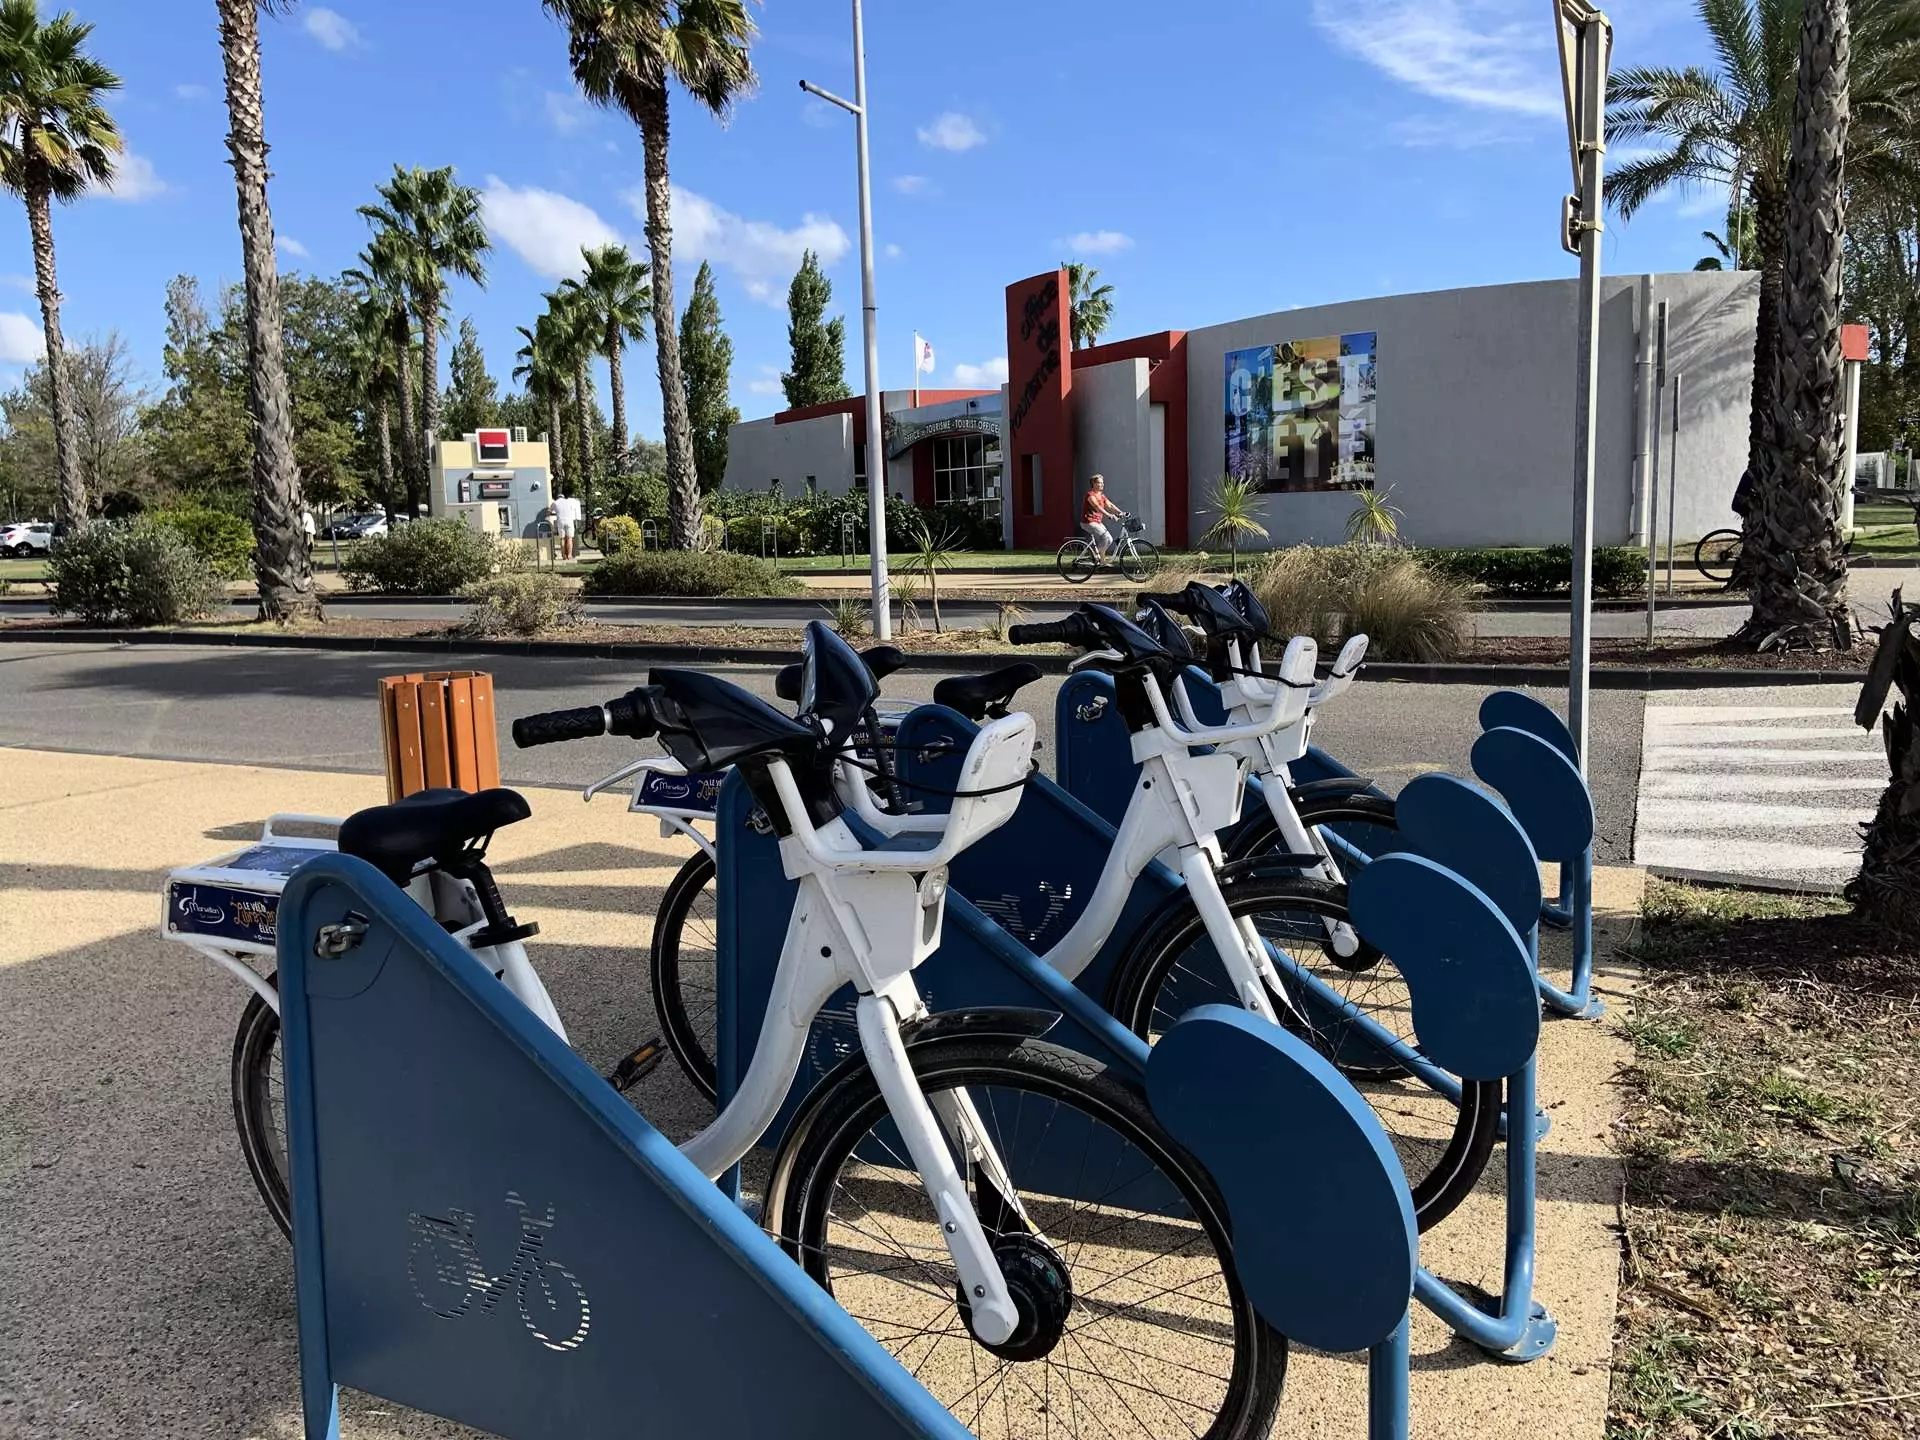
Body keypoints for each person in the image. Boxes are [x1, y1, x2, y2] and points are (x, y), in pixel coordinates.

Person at [1081, 473, 1125, 557]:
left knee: (1109, 539)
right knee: (1106, 538)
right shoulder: (1090, 495)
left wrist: (1121, 512)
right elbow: (1097, 507)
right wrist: (1109, 515)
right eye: (1099, 483)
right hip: (1088, 522)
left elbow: (1110, 505)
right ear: (1094, 484)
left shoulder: (1101, 496)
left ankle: (1101, 561)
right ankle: (1093, 556)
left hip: (1097, 522)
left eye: (1102, 482)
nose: (1102, 484)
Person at [552, 489, 583, 560]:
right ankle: (569, 555)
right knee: (569, 538)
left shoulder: (555, 502)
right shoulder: (569, 502)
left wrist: (554, 513)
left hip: (560, 521)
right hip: (569, 521)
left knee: (562, 539)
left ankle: (563, 555)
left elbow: (549, 511)